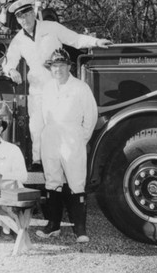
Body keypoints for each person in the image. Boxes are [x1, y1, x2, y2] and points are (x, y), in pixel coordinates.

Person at [2, 0, 112, 171]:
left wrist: (96, 42)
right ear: (17, 19)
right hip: (37, 89)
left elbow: (75, 39)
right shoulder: (18, 39)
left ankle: (64, 161)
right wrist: (11, 71)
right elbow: (9, 61)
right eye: (20, 18)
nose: (25, 20)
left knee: (61, 123)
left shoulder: (51, 28)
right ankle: (38, 163)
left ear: (33, 13)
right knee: (37, 127)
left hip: (59, 86)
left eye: (27, 15)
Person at [36, 48, 98, 243]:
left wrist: (81, 139)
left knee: (76, 181)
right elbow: (41, 116)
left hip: (72, 137)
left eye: (62, 65)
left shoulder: (80, 87)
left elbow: (91, 116)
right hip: (51, 136)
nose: (58, 69)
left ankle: (80, 229)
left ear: (69, 67)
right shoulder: (46, 88)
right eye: (55, 66)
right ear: (50, 68)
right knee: (52, 179)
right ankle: (52, 225)